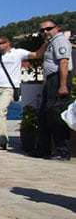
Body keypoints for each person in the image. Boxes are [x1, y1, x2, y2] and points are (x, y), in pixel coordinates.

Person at [0, 36, 47, 150]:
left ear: (8, 43)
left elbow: (37, 55)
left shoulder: (18, 53)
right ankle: (0, 139)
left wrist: (45, 44)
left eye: (0, 43)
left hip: (9, 88)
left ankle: (2, 141)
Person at [33, 20, 73, 160]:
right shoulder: (51, 42)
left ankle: (63, 151)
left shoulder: (60, 41)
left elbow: (63, 62)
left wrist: (62, 85)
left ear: (57, 28)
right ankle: (43, 149)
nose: (45, 32)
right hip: (50, 80)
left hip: (58, 79)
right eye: (42, 30)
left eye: (48, 29)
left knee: (57, 115)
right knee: (45, 114)